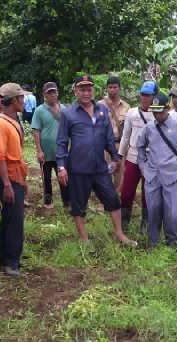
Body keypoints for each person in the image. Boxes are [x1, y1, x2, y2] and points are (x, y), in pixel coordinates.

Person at [56, 75, 136, 246]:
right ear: (76, 91)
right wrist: (61, 167)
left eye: (89, 89)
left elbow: (108, 138)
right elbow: (62, 142)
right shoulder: (68, 113)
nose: (86, 92)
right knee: (78, 205)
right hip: (78, 168)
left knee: (113, 200)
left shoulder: (102, 110)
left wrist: (115, 157)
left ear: (93, 90)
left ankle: (119, 234)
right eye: (82, 89)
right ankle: (84, 239)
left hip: (100, 168)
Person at [136, 94, 177, 247]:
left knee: (172, 212)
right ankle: (153, 242)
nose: (157, 115)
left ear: (168, 109)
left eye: (160, 111)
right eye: (154, 112)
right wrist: (143, 166)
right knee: (153, 210)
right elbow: (139, 145)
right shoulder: (149, 128)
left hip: (172, 175)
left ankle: (172, 242)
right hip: (152, 175)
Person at [0, 83, 28, 277]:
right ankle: (11, 263)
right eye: (21, 98)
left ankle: (6, 259)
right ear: (14, 100)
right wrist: (7, 184)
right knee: (14, 221)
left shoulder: (12, 121)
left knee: (10, 218)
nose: (24, 102)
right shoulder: (1, 124)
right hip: (10, 177)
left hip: (17, 176)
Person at [118, 80, 157, 229]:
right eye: (143, 95)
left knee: (148, 193)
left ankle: (146, 223)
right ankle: (124, 221)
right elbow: (126, 136)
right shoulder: (132, 113)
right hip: (133, 157)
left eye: (148, 95)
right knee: (127, 192)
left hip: (151, 159)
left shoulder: (158, 113)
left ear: (154, 96)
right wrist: (120, 155)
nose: (145, 98)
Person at [32, 82, 70, 209]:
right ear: (44, 95)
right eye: (49, 92)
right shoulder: (39, 110)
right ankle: (48, 201)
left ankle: (67, 202)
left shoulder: (64, 109)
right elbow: (36, 130)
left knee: (63, 176)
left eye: (54, 92)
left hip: (61, 151)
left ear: (58, 93)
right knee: (46, 177)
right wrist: (39, 150)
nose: (52, 94)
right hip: (46, 151)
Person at [98, 76, 130, 190]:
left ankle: (116, 197)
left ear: (119, 88)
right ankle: (105, 198)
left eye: (115, 87)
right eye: (110, 87)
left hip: (119, 144)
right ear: (106, 88)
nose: (112, 90)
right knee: (104, 172)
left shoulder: (126, 107)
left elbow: (128, 129)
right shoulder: (99, 105)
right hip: (104, 145)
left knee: (119, 173)